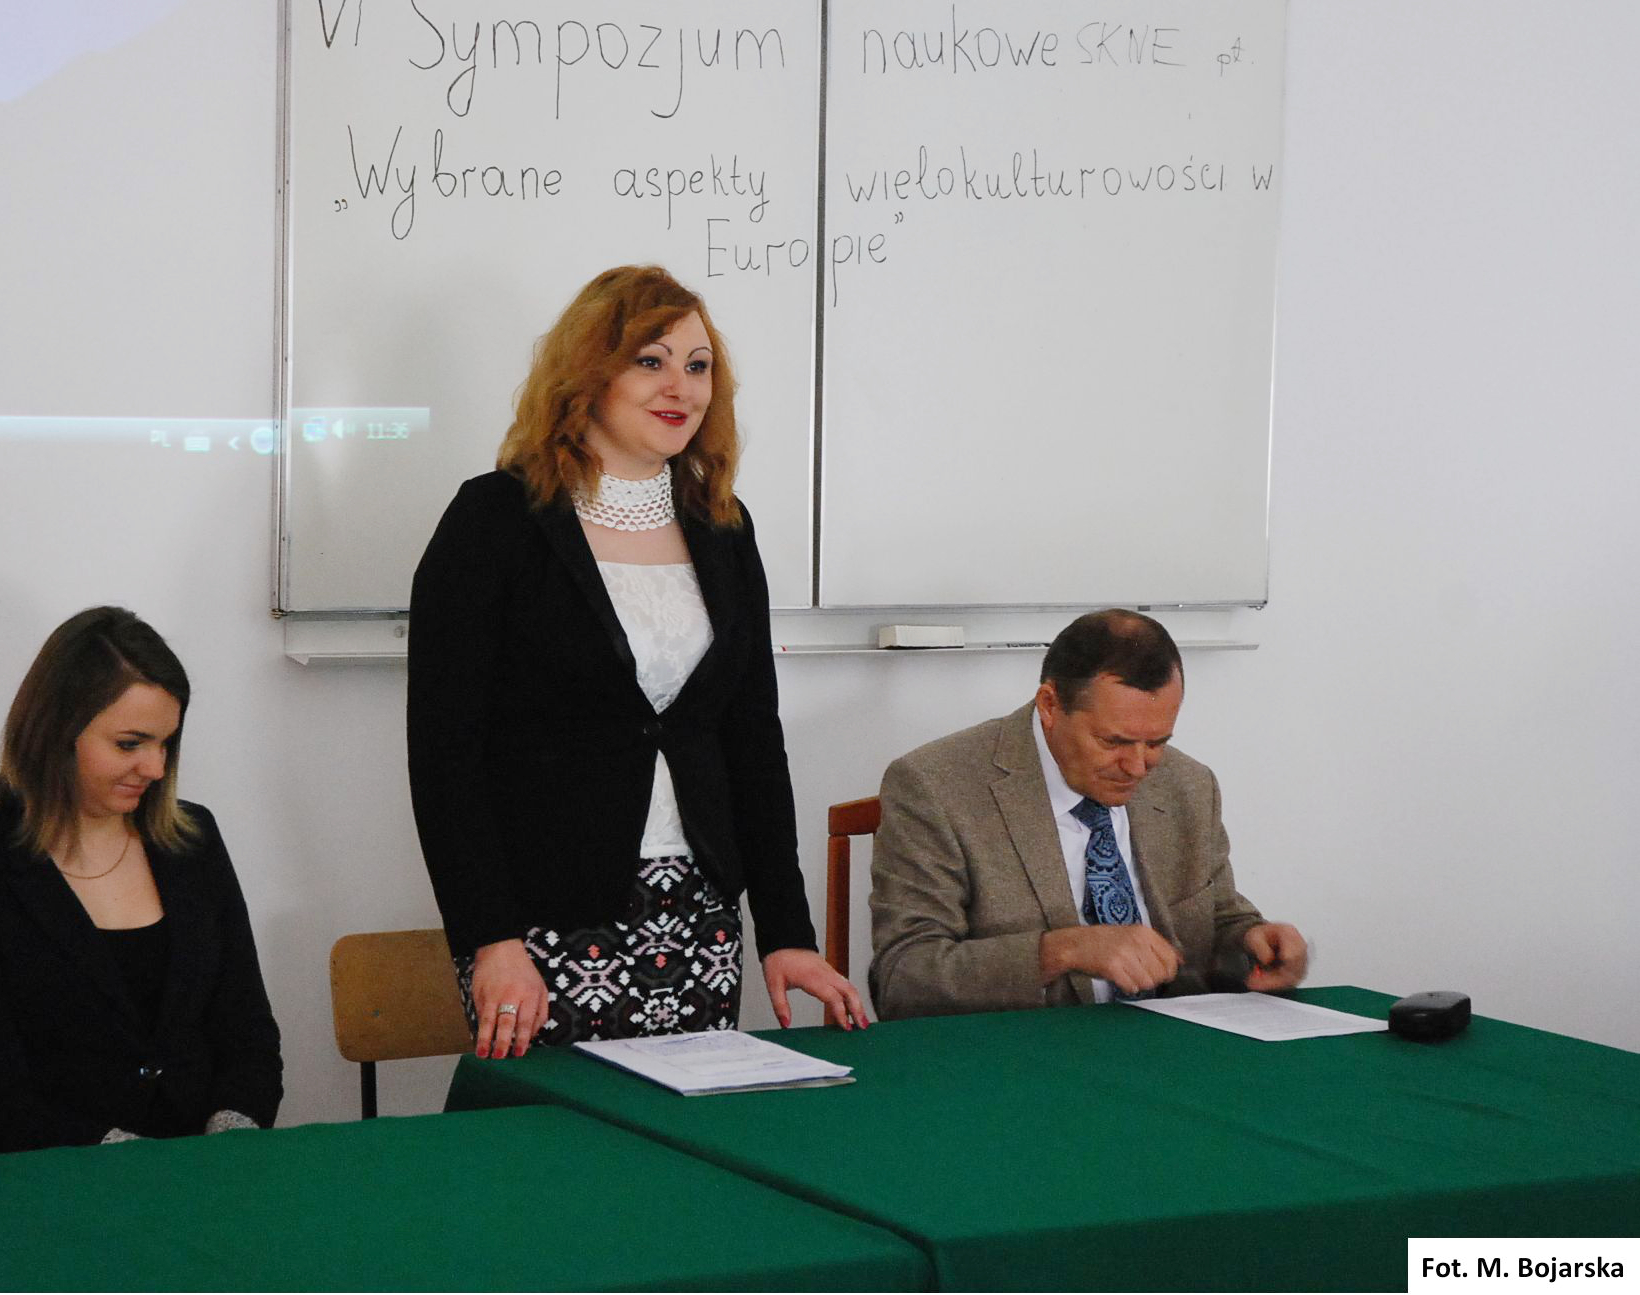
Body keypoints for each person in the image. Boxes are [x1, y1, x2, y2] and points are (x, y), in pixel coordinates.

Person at [408, 264, 866, 1059]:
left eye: (698, 365)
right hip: (540, 916)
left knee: (687, 1128)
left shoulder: (722, 526)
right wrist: (490, 937)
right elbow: (445, 752)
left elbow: (752, 741)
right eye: (650, 360)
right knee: (559, 1128)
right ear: (589, 374)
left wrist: (785, 931)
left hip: (696, 903)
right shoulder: (494, 519)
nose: (680, 387)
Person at [0, 606, 281, 1154]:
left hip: (203, 1175)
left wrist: (227, 1141)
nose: (156, 768)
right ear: (57, 732)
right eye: (130, 744)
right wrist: (132, 1162)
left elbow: (248, 1035)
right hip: (57, 1183)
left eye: (166, 743)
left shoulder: (194, 841)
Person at [869, 608, 1308, 1019]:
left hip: (1169, 1046)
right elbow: (903, 979)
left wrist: (1252, 943)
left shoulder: (1189, 785)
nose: (1137, 767)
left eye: (1157, 743)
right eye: (1113, 742)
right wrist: (1060, 951)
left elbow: (1219, 923)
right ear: (1050, 705)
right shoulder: (936, 787)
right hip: (1023, 1055)